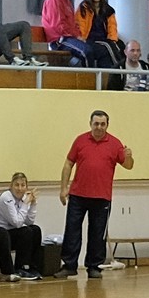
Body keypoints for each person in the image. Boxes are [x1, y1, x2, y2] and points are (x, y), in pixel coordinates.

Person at [58, 110, 134, 279]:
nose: (99, 127)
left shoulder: (115, 144)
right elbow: (68, 164)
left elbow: (128, 165)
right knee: (72, 231)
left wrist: (129, 156)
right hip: (77, 195)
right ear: (90, 124)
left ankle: (94, 267)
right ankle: (69, 266)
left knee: (97, 234)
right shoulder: (80, 140)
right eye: (96, 124)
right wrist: (63, 188)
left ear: (107, 125)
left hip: (102, 198)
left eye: (102, 124)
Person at [0, 173, 43, 281]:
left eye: (23, 185)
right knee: (25, 232)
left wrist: (33, 204)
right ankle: (19, 268)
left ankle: (31, 267)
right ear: (11, 186)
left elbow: (29, 221)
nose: (20, 188)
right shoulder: (6, 197)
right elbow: (17, 223)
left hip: (7, 231)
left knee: (35, 230)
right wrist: (25, 204)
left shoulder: (24, 198)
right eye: (16, 185)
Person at [40, 0, 95, 65]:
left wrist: (79, 36)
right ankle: (89, 75)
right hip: (59, 40)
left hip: (69, 38)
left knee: (96, 49)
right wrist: (76, 37)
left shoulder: (67, 1)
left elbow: (73, 24)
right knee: (86, 51)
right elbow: (58, 25)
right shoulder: (53, 0)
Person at [75, 0, 123, 76]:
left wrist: (112, 39)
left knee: (120, 46)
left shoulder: (108, 10)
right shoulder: (83, 8)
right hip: (89, 39)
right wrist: (81, 38)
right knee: (106, 48)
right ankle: (119, 69)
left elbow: (112, 27)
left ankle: (109, 75)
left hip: (104, 39)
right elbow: (79, 25)